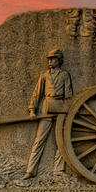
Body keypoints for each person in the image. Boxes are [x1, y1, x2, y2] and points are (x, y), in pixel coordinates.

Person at [23, 48, 72, 179]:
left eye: (53, 59)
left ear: (59, 61)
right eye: (49, 59)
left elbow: (69, 95)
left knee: (62, 140)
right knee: (39, 141)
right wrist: (32, 110)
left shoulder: (64, 75)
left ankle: (58, 170)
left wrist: (66, 110)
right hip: (46, 107)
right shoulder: (44, 75)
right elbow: (37, 93)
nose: (50, 61)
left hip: (60, 108)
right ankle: (31, 170)